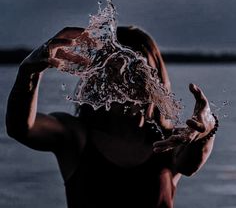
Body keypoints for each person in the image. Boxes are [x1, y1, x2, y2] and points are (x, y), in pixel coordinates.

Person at [6, 26, 218, 208]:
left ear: (156, 81)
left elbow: (190, 165)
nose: (123, 83)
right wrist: (29, 73)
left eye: (135, 73)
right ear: (95, 78)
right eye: (111, 71)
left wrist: (207, 128)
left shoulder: (169, 141)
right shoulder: (75, 136)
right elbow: (22, 128)